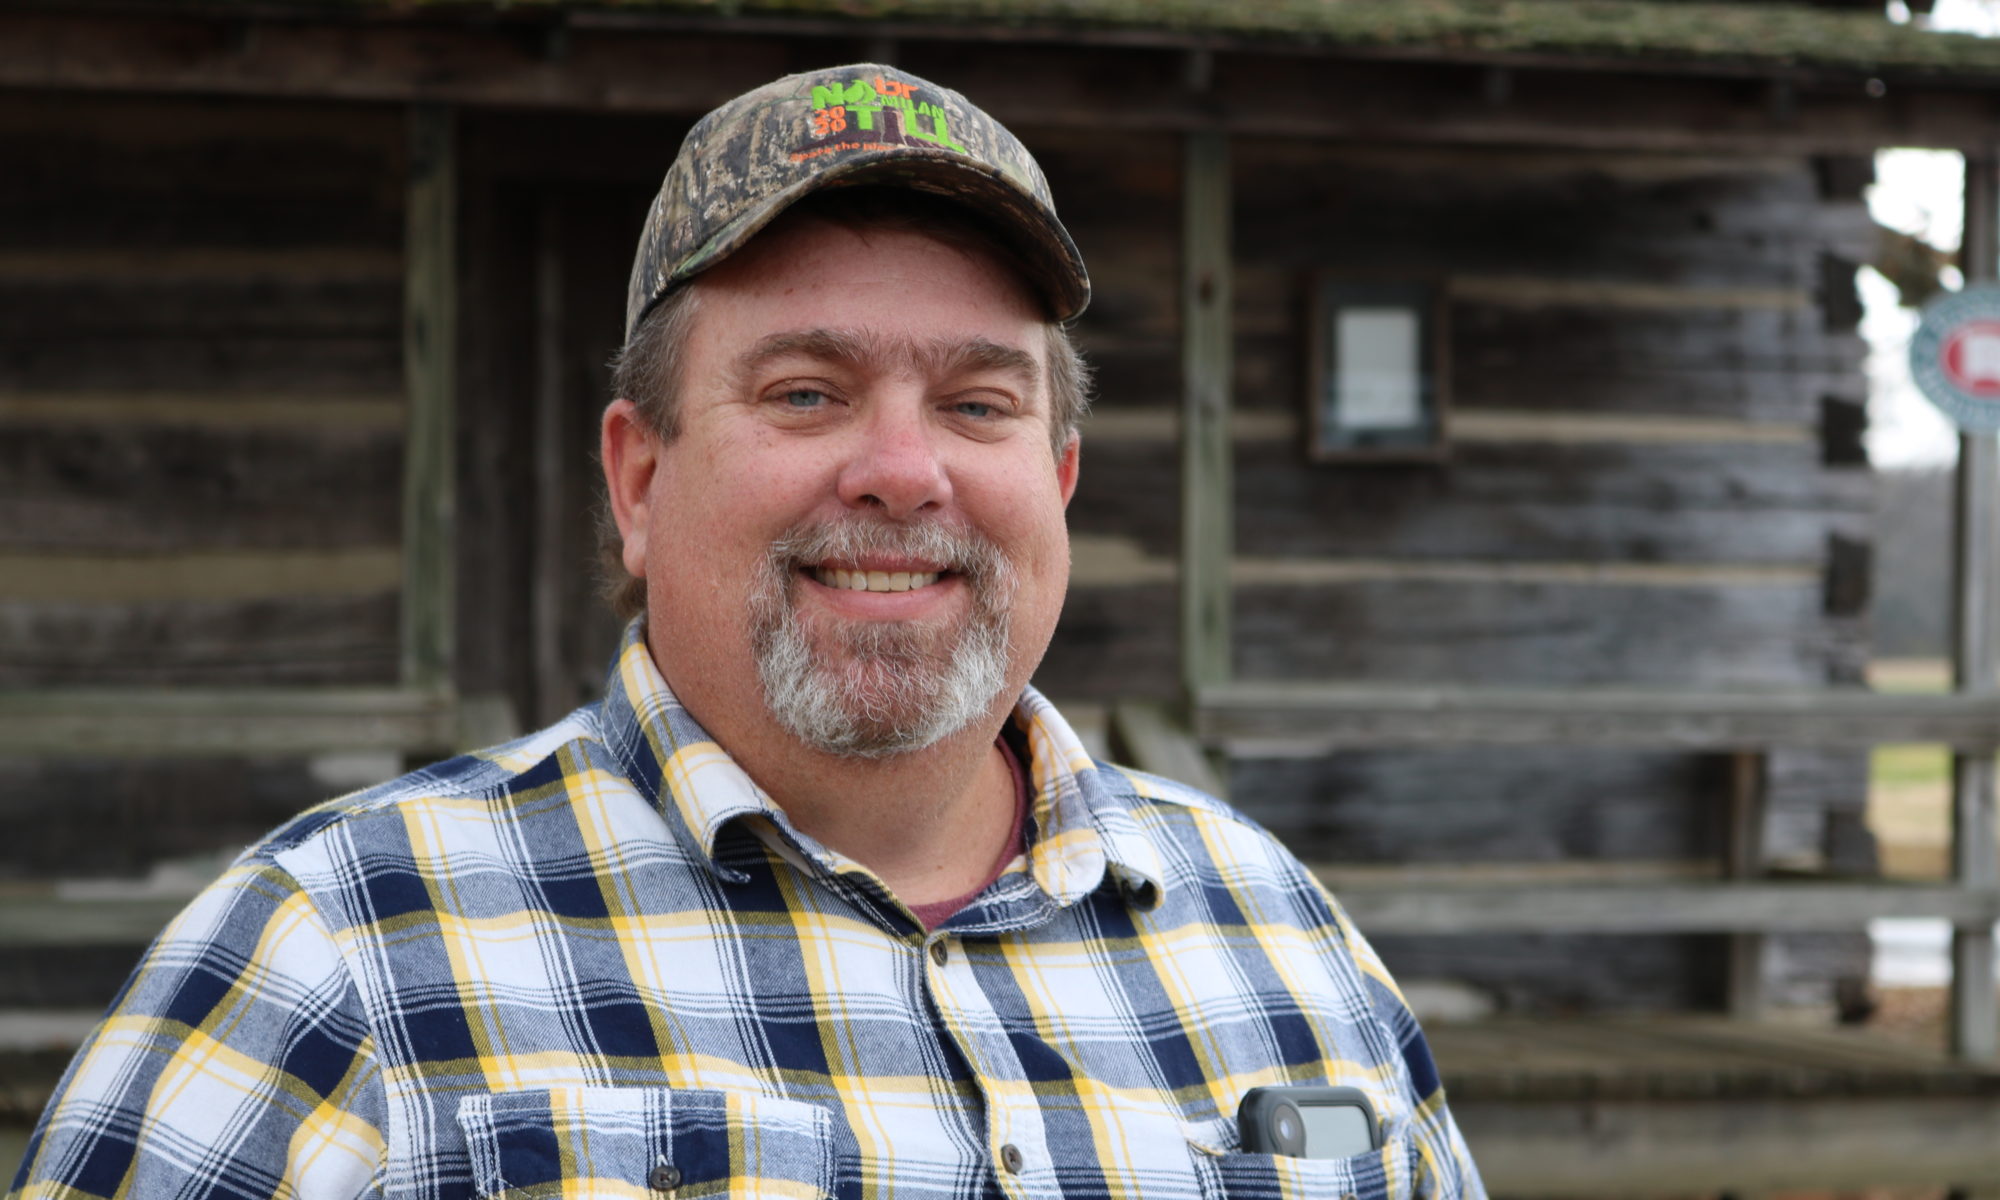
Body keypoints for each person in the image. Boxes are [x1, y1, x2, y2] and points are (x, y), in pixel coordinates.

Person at [11, 65, 1483, 1200]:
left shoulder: (1283, 935)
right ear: (640, 480)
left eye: (980, 405)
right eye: (805, 392)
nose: (904, 471)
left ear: (1059, 480)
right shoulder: (331, 957)